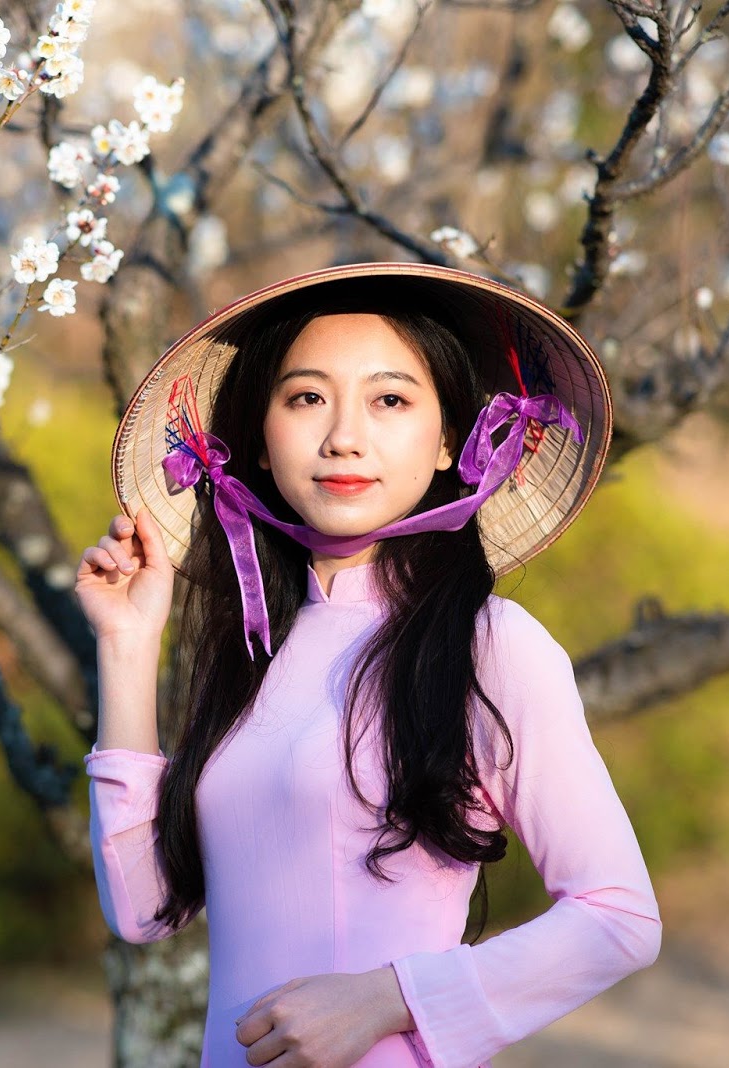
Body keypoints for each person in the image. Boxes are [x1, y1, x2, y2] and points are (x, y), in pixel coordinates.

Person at [74, 263, 661, 1068]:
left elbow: (619, 916)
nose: (343, 435)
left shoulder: (490, 645)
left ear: (450, 438)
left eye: (390, 399)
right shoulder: (252, 651)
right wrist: (127, 646)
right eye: (306, 397)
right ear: (257, 440)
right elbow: (144, 911)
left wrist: (387, 999)